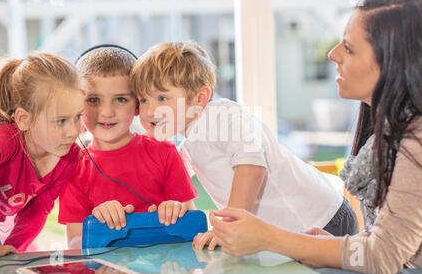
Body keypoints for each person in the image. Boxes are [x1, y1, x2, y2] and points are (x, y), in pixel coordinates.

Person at [208, 0, 422, 274]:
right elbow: (387, 241)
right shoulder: (393, 129)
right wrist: (333, 247)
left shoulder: (421, 141)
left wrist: (271, 238)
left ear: (393, 63)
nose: (333, 54)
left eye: (349, 49)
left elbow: (383, 256)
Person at [129, 41, 359, 251]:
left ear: (199, 98)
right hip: (289, 233)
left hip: (322, 219)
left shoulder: (221, 114)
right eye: (143, 100)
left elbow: (251, 166)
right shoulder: (190, 144)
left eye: (161, 98)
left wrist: (229, 227)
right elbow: (170, 181)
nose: (149, 111)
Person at [58, 45, 198, 249]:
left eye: (121, 99)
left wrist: (176, 211)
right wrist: (99, 225)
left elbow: (193, 231)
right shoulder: (73, 169)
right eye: (94, 100)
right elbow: (74, 244)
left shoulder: (164, 153)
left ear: (138, 106)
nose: (106, 112)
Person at [0, 52, 85, 259]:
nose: (74, 131)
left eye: (78, 116)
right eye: (60, 121)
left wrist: (12, 254)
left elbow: (37, 211)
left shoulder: (70, 158)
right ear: (23, 119)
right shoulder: (3, 142)